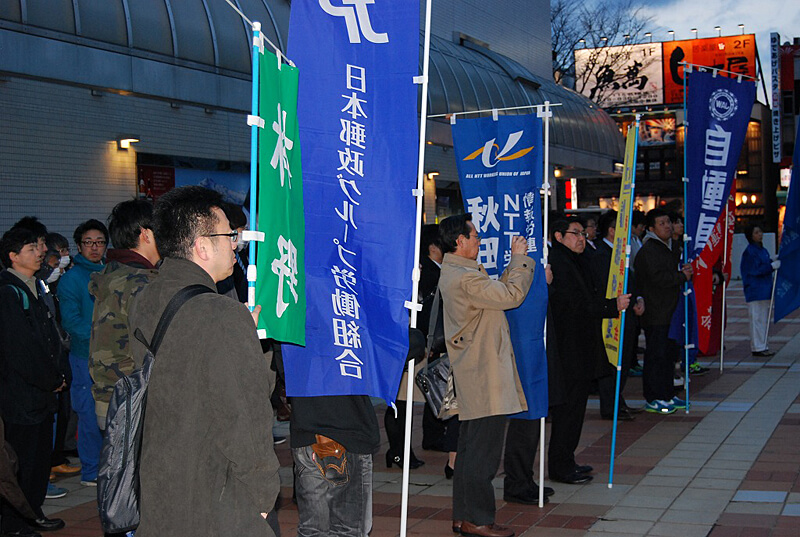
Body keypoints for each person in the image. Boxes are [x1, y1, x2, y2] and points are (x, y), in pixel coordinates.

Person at [128, 186, 279, 537]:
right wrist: (262, 495)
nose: (235, 243)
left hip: (159, 477)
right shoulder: (222, 314)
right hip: (215, 491)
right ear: (202, 245)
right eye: (229, 234)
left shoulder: (146, 297)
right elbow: (246, 416)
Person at [438, 214, 534, 537]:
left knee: (468, 451)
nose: (479, 241)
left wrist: (511, 265)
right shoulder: (466, 278)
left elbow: (496, 294)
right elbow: (510, 296)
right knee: (482, 454)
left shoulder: (458, 273)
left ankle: (463, 516)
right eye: (475, 236)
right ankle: (478, 519)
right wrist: (520, 260)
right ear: (459, 241)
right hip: (484, 375)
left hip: (475, 373)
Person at [547, 217, 629, 485]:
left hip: (580, 348)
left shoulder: (577, 261)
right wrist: (611, 306)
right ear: (558, 236)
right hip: (568, 351)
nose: (582, 238)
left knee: (576, 410)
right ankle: (560, 466)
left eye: (584, 233)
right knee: (568, 411)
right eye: (575, 233)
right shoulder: (558, 263)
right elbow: (576, 305)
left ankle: (567, 460)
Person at [0, 227, 67, 536]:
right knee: (21, 463)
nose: (40, 252)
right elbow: (20, 349)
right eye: (31, 248)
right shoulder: (8, 292)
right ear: (13, 257)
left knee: (38, 462)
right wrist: (50, 380)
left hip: (39, 395)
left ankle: (33, 515)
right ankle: (17, 524)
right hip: (21, 397)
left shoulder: (34, 286)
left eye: (39, 246)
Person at [89, 199, 159, 430]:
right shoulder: (139, 282)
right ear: (145, 234)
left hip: (110, 394)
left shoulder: (116, 272)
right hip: (131, 398)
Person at [57, 219, 108, 486]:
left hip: (112, 357)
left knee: (110, 413)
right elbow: (71, 322)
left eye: (99, 242)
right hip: (83, 356)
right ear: (79, 245)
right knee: (88, 413)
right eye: (88, 243)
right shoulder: (72, 280)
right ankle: (90, 470)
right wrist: (105, 334)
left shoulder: (111, 272)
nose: (94, 248)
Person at [634, 209, 693, 414]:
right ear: (651, 228)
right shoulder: (649, 250)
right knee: (656, 356)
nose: (667, 226)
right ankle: (654, 397)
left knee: (669, 355)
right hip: (656, 312)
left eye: (668, 222)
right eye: (661, 223)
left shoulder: (669, 247)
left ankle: (667, 394)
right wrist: (681, 276)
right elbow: (658, 279)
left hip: (670, 311)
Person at [589, 210, 644, 421]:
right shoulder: (601, 255)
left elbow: (631, 280)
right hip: (611, 317)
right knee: (611, 362)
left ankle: (618, 402)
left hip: (627, 313)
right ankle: (610, 406)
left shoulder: (621, 252)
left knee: (623, 360)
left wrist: (639, 298)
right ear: (612, 230)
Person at [740, 223, 779, 357]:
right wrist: (771, 266)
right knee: (757, 319)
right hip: (755, 289)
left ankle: (763, 344)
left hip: (764, 288)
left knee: (763, 319)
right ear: (750, 235)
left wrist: (772, 262)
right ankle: (757, 347)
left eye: (760, 232)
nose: (760, 234)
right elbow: (755, 270)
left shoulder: (762, 250)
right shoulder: (749, 252)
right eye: (756, 232)